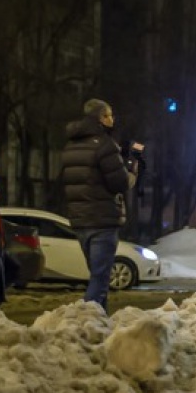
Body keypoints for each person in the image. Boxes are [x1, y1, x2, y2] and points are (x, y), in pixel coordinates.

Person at [60, 99, 136, 312]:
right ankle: (86, 319)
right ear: (100, 118)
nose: (112, 119)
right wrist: (133, 173)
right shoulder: (104, 144)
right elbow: (119, 183)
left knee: (96, 274)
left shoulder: (71, 145)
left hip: (80, 219)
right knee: (100, 279)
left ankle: (99, 321)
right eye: (109, 115)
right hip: (102, 219)